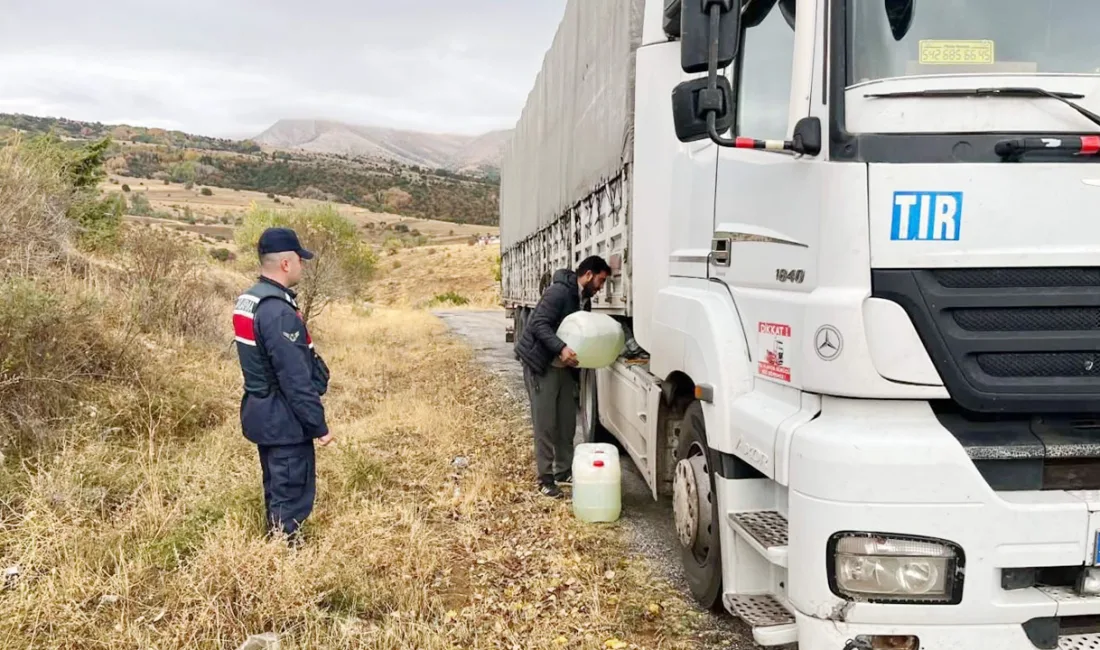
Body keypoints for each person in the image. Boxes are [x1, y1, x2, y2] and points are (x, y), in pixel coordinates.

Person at [232, 227, 333, 542]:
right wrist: (319, 426)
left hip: (263, 413)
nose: (303, 265)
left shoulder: (251, 299)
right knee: (291, 496)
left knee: (277, 488)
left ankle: (276, 545)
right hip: (285, 420)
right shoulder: (277, 311)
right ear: (287, 264)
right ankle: (285, 559)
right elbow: (295, 379)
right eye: (300, 259)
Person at [514, 255, 612, 498]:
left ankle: (563, 472)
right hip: (543, 365)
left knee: (566, 422)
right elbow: (538, 324)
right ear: (588, 275)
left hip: (565, 368)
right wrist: (560, 348)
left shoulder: (584, 300)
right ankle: (545, 479)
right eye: (600, 280)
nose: (601, 287)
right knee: (545, 424)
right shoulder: (558, 292)